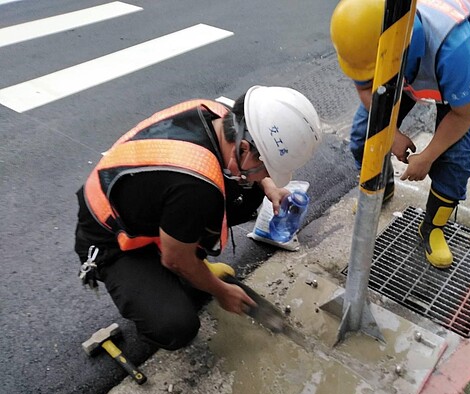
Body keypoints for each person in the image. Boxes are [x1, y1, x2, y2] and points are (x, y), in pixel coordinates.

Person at [74, 86, 322, 350]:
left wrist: (269, 186)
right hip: (112, 239)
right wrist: (219, 290)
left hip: (151, 203)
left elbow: (247, 169)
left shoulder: (220, 117)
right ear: (245, 147)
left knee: (248, 192)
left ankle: (184, 255)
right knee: (176, 326)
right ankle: (165, 282)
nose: (263, 176)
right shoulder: (194, 188)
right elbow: (175, 259)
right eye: (265, 169)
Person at [330, 0, 470, 269]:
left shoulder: (455, 51)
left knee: (454, 159)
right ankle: (382, 188)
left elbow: (464, 114)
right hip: (404, 62)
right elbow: (365, 90)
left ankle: (432, 227)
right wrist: (391, 135)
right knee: (364, 136)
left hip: (456, 61)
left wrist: (427, 156)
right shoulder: (362, 38)